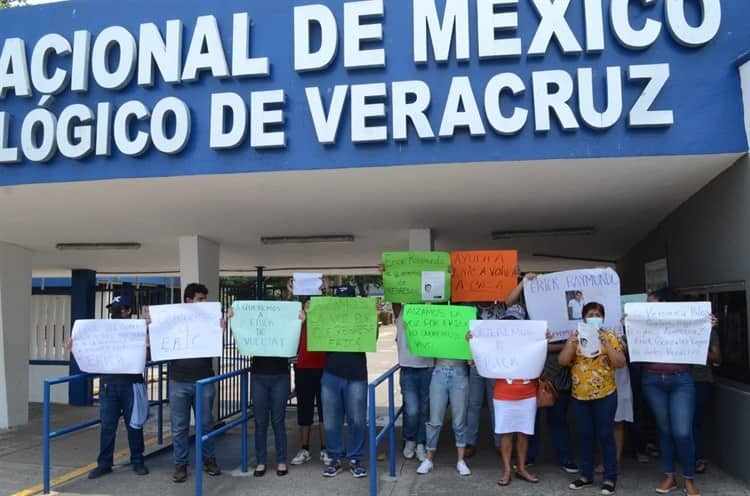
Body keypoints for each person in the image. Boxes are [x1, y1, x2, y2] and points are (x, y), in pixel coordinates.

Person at [637, 289, 715, 496]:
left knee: (682, 431)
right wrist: (628, 324)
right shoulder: (644, 323)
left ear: (667, 306)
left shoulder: (683, 321)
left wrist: (707, 326)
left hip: (681, 380)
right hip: (652, 381)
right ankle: (670, 476)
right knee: (665, 429)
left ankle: (689, 479)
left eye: (651, 304)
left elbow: (701, 340)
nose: (647, 308)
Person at [67, 294, 150, 479]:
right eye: (113, 309)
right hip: (108, 384)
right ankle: (104, 463)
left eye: (119, 309)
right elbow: (90, 347)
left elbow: (148, 357)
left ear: (128, 311)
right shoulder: (103, 330)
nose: (114, 313)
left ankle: (137, 460)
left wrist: (147, 346)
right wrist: (74, 346)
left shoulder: (138, 330)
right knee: (107, 426)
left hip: (131, 384)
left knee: (134, 425)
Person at [507, 274, 578, 474]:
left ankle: (565, 458)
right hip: (531, 374)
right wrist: (523, 283)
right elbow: (508, 302)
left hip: (559, 374)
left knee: (559, 420)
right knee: (531, 421)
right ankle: (528, 458)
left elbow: (570, 344)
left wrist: (545, 345)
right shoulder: (523, 311)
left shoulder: (566, 313)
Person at [467, 305, 543, 487]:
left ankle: (521, 467)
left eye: (516, 322)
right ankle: (508, 469)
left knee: (524, 433)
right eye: (508, 322)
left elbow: (540, 358)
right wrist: (472, 340)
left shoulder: (531, 342)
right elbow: (481, 353)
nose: (512, 326)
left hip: (527, 394)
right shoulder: (496, 343)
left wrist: (544, 339)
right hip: (503, 395)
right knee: (506, 434)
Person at [559, 302, 625, 495]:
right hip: (580, 395)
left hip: (605, 394)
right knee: (585, 435)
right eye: (590, 314)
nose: (593, 316)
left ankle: (610, 478)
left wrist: (606, 343)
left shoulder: (611, 337)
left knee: (606, 435)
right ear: (584, 318)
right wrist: (571, 343)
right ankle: (585, 475)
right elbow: (563, 361)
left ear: (602, 318)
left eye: (597, 314)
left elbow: (620, 362)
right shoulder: (577, 337)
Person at [169, 283, 223, 483]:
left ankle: (209, 460)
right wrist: (153, 325)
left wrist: (220, 330)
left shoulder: (209, 320)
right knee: (179, 426)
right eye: (200, 299)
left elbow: (217, 346)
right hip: (178, 380)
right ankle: (180, 464)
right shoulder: (171, 319)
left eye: (204, 299)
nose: (204, 303)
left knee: (206, 424)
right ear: (188, 300)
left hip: (204, 379)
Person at [321, 284, 371, 478]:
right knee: (331, 420)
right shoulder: (327, 318)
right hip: (331, 374)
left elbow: (371, 338)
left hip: (357, 375)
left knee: (357, 419)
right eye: (340, 301)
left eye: (347, 300)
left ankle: (355, 459)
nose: (344, 304)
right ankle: (334, 459)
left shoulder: (362, 318)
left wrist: (372, 318)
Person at [248, 302, 302, 477]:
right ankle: (261, 461)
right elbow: (241, 330)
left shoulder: (285, 329)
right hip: (258, 376)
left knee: (278, 420)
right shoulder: (256, 329)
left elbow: (295, 335)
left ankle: (281, 460)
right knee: (260, 421)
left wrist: (299, 321)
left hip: (280, 376)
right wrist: (234, 318)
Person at [289, 292, 331, 466]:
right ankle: (304, 449)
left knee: (325, 411)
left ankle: (325, 449)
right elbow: (286, 330)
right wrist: (291, 294)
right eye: (307, 302)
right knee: (304, 411)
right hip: (303, 369)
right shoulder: (298, 318)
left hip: (324, 368)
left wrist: (327, 291)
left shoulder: (326, 316)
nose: (310, 304)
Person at [416, 352, 471, 476]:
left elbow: (471, 357)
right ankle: (429, 459)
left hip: (460, 370)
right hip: (439, 370)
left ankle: (461, 460)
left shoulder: (466, 331)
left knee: (459, 420)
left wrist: (470, 355)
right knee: (435, 419)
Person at [393, 302, 433, 462]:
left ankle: (421, 443)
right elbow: (393, 292)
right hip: (407, 368)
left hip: (427, 367)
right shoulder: (401, 310)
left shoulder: (430, 309)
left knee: (424, 409)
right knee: (412, 409)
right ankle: (410, 439)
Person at [465, 301, 504, 458]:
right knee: (473, 404)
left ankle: (500, 442)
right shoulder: (467, 308)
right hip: (475, 363)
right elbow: (459, 334)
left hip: (495, 364)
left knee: (495, 404)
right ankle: (470, 442)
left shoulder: (501, 308)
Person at [692, 321, 721, 474]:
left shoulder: (709, 331)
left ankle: (698, 458)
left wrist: (693, 349)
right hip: (679, 379)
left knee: (694, 421)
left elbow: (717, 358)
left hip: (701, 380)